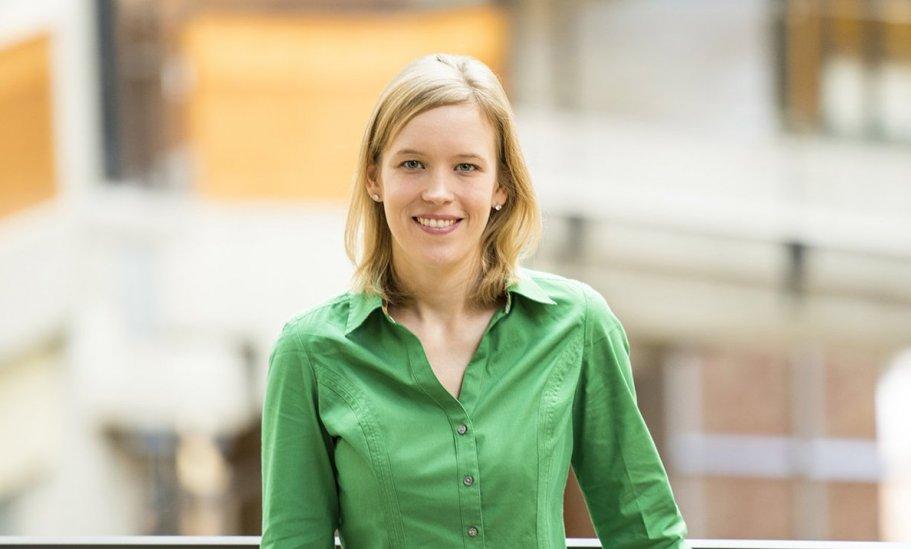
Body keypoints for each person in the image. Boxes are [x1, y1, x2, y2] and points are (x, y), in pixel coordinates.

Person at [260, 52, 689, 548]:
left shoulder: (579, 325)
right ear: (376, 178)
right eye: (413, 164)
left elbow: (644, 532)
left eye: (466, 167)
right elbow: (294, 541)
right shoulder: (311, 352)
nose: (439, 192)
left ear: (500, 185)